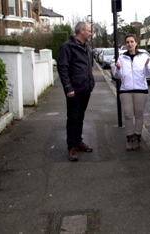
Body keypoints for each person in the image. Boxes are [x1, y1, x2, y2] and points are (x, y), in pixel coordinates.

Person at [58, 22, 95, 161]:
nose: (90, 33)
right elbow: (63, 68)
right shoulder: (67, 47)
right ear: (81, 31)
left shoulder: (87, 48)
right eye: (89, 31)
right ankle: (71, 147)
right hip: (74, 90)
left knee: (80, 117)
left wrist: (91, 84)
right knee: (73, 118)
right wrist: (68, 88)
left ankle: (78, 141)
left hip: (86, 88)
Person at [113, 34, 150, 151]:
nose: (130, 44)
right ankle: (129, 138)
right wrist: (118, 69)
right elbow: (117, 76)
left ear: (136, 43)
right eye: (127, 42)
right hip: (126, 90)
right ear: (126, 44)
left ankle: (137, 137)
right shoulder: (122, 58)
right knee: (127, 115)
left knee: (139, 114)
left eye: (132, 41)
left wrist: (146, 66)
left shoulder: (143, 56)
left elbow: (149, 74)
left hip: (141, 90)